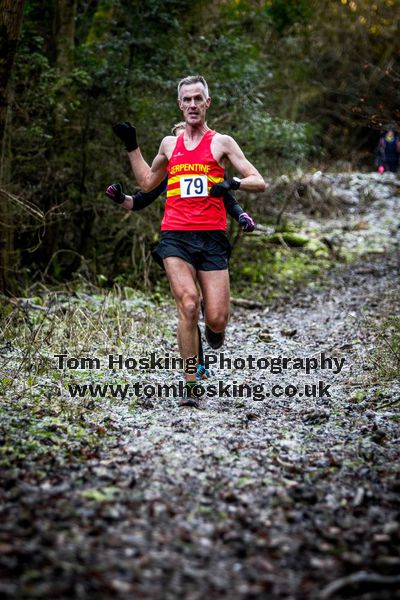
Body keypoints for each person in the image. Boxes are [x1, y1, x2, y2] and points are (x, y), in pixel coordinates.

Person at [112, 75, 266, 407]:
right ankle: (191, 383)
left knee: (216, 318)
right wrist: (132, 146)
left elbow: (259, 181)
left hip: (212, 237)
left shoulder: (222, 142)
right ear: (180, 105)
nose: (193, 105)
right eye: (187, 100)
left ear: (207, 103)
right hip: (176, 236)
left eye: (198, 99)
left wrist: (233, 185)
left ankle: (212, 335)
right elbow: (146, 182)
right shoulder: (170, 145)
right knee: (188, 303)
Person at [106, 122, 255, 232]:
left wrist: (242, 216)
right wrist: (119, 197)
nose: (182, 143)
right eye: (178, 139)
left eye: (186, 137)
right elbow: (139, 201)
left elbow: (228, 198)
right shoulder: (169, 174)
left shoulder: (210, 168)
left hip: (210, 233)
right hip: (178, 234)